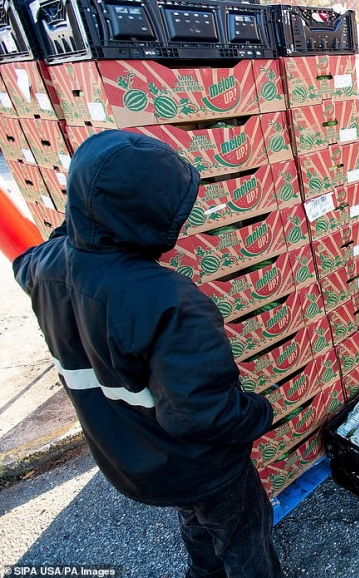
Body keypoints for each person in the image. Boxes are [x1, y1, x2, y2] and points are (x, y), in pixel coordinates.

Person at [13, 130, 283, 577]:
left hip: (136, 459)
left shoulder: (45, 268)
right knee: (244, 539)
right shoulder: (168, 300)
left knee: (197, 527)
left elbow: (28, 258)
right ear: (147, 215)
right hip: (202, 466)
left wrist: (78, 226)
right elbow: (202, 415)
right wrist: (260, 413)